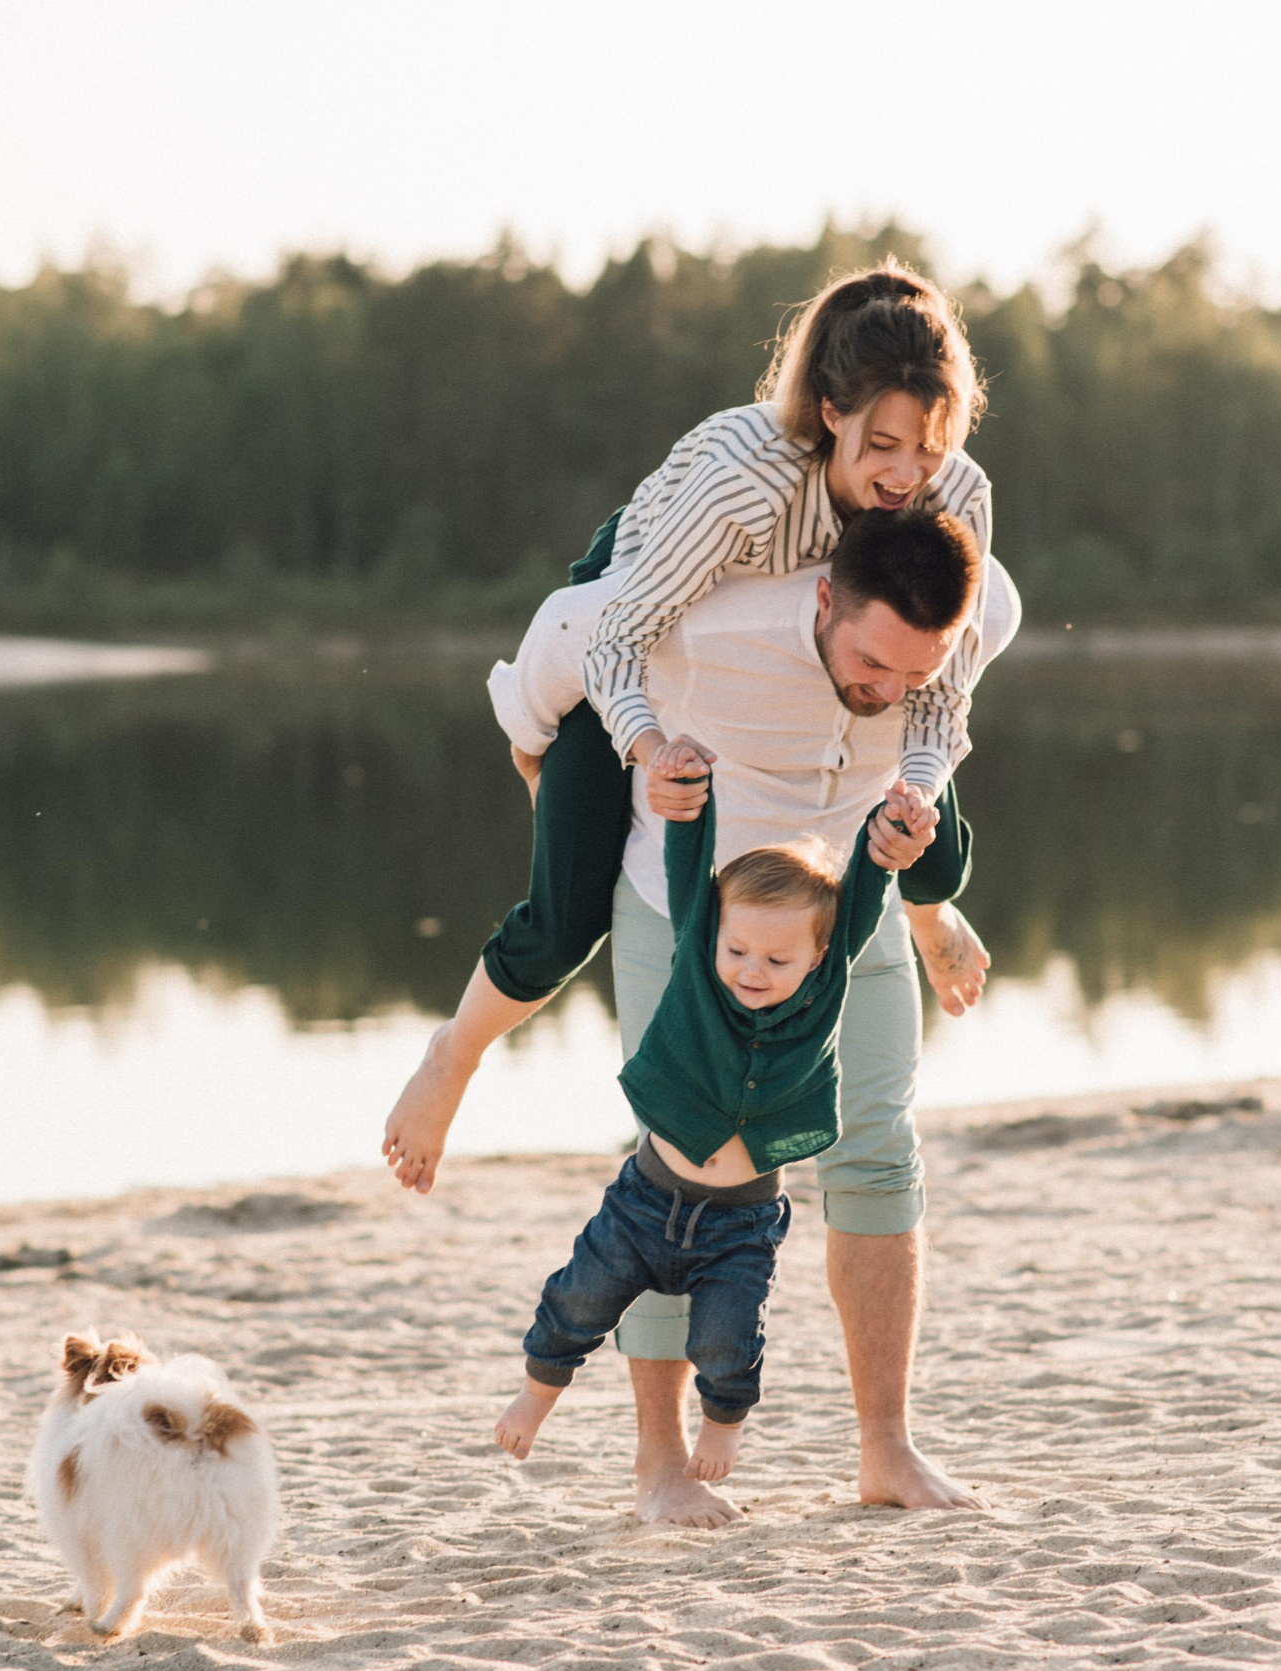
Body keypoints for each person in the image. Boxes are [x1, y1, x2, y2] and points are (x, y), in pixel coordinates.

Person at [431, 503, 1021, 1524]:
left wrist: (926, 909)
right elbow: (564, 634)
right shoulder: (709, 613)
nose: (886, 691)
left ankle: (887, 1450)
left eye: (911, 678)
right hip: (689, 907)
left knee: (878, 1151)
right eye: (872, 663)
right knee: (679, 1171)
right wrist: (533, 750)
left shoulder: (975, 611)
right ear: (826, 599)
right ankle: (659, 1465)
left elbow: (933, 756)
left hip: (847, 899)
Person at [383, 259, 997, 1197]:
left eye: (930, 443)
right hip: (636, 621)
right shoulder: (742, 486)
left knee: (929, 814)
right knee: (568, 910)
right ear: (832, 412)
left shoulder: (957, 496)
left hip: (844, 646)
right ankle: (453, 1053)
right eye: (882, 443)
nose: (908, 474)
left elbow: (941, 683)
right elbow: (609, 633)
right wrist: (633, 745)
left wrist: (914, 795)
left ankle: (927, 910)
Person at [493, 769, 900, 1487]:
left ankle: (723, 1425)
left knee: (727, 1340)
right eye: (738, 949)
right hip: (645, 1202)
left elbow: (861, 901)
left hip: (741, 1226)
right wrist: (690, 795)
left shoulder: (824, 990)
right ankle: (536, 1393)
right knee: (579, 1299)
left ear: (816, 959)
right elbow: (689, 865)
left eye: (778, 960)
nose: (751, 969)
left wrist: (885, 836)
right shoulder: (696, 971)